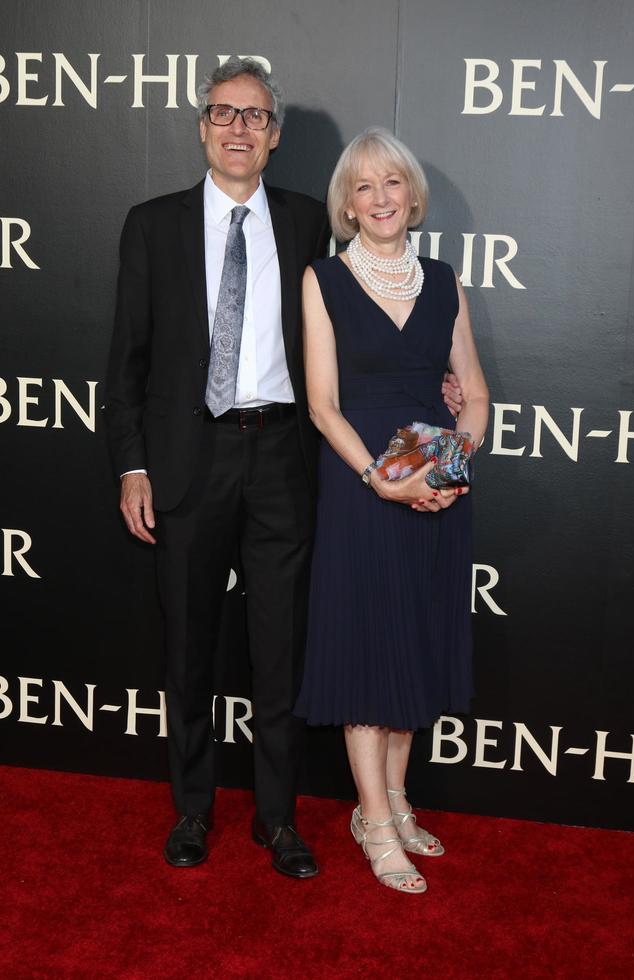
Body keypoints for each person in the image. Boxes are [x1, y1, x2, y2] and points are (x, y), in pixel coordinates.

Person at [104, 57, 331, 878]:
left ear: (274, 137)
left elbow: (347, 339)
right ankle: (192, 812)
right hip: (187, 458)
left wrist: (435, 377)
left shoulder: (310, 222)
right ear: (202, 127)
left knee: (280, 650)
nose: (240, 129)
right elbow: (126, 360)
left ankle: (278, 821)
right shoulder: (152, 224)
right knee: (188, 647)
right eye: (224, 113)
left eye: (256, 116)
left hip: (281, 456)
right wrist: (133, 467)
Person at [294, 127, 489, 894]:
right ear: (348, 203)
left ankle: (398, 800)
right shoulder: (324, 280)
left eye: (393, 184)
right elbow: (321, 405)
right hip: (361, 485)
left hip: (435, 484)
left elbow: (473, 395)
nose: (380, 198)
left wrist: (451, 464)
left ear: (413, 196)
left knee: (413, 644)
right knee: (369, 650)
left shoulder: (443, 281)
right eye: (364, 187)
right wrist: (383, 479)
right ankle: (372, 819)